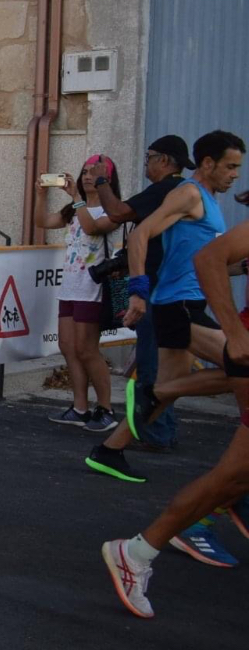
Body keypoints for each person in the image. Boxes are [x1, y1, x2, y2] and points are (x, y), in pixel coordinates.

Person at [102, 217, 249, 616]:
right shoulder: (185, 195)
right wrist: (235, 333)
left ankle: (139, 549)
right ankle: (138, 550)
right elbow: (209, 259)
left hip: (182, 309)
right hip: (179, 310)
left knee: (235, 475)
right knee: (233, 475)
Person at [88, 130, 244, 484]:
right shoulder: (188, 193)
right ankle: (150, 390)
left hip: (185, 301)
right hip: (178, 305)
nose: (235, 174)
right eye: (230, 167)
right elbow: (141, 234)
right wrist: (138, 291)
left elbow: (203, 262)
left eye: (238, 168)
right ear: (207, 163)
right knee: (241, 364)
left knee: (171, 386)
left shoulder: (207, 199)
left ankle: (109, 450)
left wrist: (241, 267)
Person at [94, 135, 192, 450]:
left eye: (149, 156)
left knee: (153, 364)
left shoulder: (165, 190)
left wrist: (101, 181)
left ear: (164, 160)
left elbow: (118, 212)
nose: (146, 163)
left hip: (157, 288)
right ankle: (161, 428)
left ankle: (156, 432)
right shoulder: (182, 192)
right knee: (167, 362)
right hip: (176, 286)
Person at [37, 156, 122, 431]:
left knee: (87, 349)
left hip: (93, 288)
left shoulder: (113, 211)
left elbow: (93, 227)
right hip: (70, 287)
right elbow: (42, 221)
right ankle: (80, 407)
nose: (87, 177)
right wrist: (41, 195)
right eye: (84, 171)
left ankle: (106, 409)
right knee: (67, 346)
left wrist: (76, 197)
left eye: (94, 173)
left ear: (107, 179)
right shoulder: (74, 208)